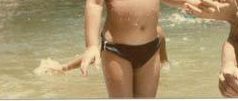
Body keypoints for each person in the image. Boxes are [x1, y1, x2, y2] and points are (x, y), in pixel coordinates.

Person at [35, 26, 169, 75]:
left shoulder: (158, 33)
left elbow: (164, 63)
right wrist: (65, 67)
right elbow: (98, 53)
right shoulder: (120, 35)